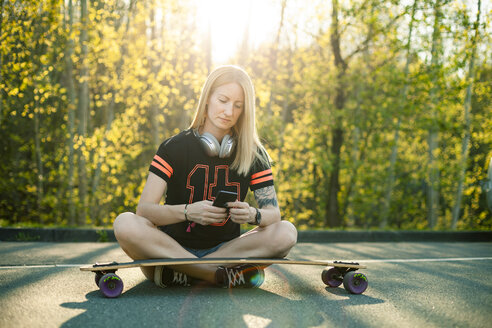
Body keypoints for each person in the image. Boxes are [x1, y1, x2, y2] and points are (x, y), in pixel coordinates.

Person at [113, 65, 297, 288]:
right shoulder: (174, 147)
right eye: (223, 100)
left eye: (237, 105)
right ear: (208, 98)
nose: (229, 112)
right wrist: (188, 212)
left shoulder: (255, 155)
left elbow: (273, 214)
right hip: (170, 249)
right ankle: (213, 275)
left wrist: (252, 214)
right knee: (125, 223)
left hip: (225, 253)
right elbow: (145, 210)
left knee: (287, 231)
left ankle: (189, 273)